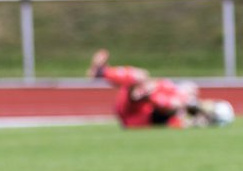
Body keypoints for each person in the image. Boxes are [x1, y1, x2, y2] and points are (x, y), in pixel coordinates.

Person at [87, 49, 233, 128]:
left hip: (138, 117)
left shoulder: (176, 106)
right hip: (136, 109)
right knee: (141, 76)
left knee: (141, 77)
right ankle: (103, 72)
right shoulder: (172, 90)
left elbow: (167, 108)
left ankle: (102, 72)